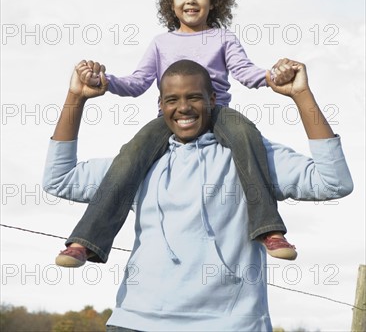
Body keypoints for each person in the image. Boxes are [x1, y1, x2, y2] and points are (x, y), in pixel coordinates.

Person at [43, 58, 353, 332]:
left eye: (194, 97)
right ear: (161, 106)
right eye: (172, 100)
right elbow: (59, 180)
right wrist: (76, 98)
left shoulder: (252, 158)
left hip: (232, 324)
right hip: (136, 322)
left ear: (213, 100)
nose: (184, 108)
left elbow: (333, 182)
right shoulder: (137, 164)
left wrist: (301, 96)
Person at [55, 0, 297, 268]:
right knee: (129, 155)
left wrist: (272, 75)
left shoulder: (223, 38)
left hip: (216, 113)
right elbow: (138, 82)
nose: (191, 1)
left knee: (245, 133)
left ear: (214, 0)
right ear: (171, 3)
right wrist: (105, 81)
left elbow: (246, 73)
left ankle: (269, 229)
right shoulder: (161, 43)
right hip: (168, 119)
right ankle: (85, 241)